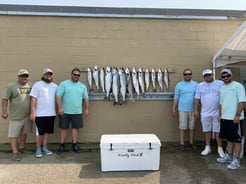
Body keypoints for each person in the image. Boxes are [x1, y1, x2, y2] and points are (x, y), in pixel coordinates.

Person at [217, 69, 246, 169]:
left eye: (227, 75)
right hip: (225, 118)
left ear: (231, 75)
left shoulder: (238, 86)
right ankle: (229, 156)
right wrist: (220, 115)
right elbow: (221, 103)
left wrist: (237, 115)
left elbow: (242, 101)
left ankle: (236, 160)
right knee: (229, 139)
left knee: (237, 140)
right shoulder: (222, 88)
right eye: (223, 76)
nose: (226, 78)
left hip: (235, 118)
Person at [1, 69, 33, 161]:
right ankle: (15, 153)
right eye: (22, 76)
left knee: (24, 133)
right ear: (18, 77)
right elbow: (5, 99)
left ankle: (22, 148)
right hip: (16, 116)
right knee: (13, 135)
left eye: (26, 76)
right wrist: (4, 111)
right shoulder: (11, 86)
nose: (24, 78)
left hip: (27, 116)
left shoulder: (31, 85)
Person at [56, 68, 89, 153]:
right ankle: (62, 145)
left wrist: (87, 108)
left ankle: (74, 144)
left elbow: (86, 98)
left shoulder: (82, 86)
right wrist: (60, 108)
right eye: (74, 74)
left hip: (77, 111)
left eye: (78, 75)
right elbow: (58, 96)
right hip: (65, 111)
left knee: (75, 128)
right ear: (71, 74)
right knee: (64, 128)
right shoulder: (64, 84)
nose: (76, 76)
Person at [194, 69, 225, 157]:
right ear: (203, 77)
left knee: (218, 131)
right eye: (205, 75)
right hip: (205, 112)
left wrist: (221, 113)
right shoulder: (199, 85)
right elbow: (197, 98)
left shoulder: (220, 83)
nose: (208, 76)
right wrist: (196, 110)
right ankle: (207, 147)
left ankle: (220, 148)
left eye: (209, 74)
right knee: (206, 130)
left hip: (217, 112)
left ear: (212, 74)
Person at [29, 68, 58, 158]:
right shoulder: (37, 85)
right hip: (40, 114)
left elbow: (60, 96)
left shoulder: (55, 86)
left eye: (50, 74)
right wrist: (33, 112)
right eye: (46, 74)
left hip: (51, 113)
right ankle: (38, 148)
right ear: (43, 75)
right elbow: (33, 99)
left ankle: (44, 147)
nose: (48, 76)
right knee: (39, 132)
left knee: (47, 132)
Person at [172, 69, 198, 151]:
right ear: (183, 75)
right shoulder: (179, 85)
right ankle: (182, 144)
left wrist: (197, 109)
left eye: (189, 74)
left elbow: (199, 97)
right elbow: (176, 97)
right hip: (182, 109)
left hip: (193, 109)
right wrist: (173, 108)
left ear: (191, 74)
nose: (187, 75)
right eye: (186, 74)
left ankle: (191, 143)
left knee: (192, 127)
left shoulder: (196, 84)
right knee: (182, 127)